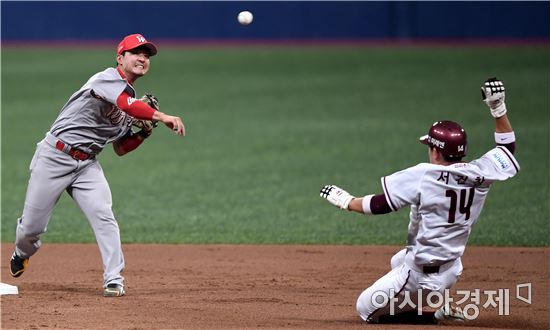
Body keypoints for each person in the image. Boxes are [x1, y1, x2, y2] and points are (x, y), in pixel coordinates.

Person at [320, 78, 519, 324]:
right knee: (398, 259)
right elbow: (507, 149)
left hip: (422, 278)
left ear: (436, 151)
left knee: (365, 310)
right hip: (451, 268)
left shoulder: (425, 175)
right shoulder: (481, 172)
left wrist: (347, 201)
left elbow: (379, 205)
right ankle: (425, 297)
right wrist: (498, 107)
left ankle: (434, 316)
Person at [9, 33, 185, 297]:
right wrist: (161, 115)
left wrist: (142, 134)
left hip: (86, 165)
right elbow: (127, 104)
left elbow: (120, 148)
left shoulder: (130, 102)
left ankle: (114, 279)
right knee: (32, 228)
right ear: (120, 58)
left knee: (104, 216)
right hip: (54, 156)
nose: (142, 58)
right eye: (136, 53)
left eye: (146, 55)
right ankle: (22, 252)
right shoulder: (106, 79)